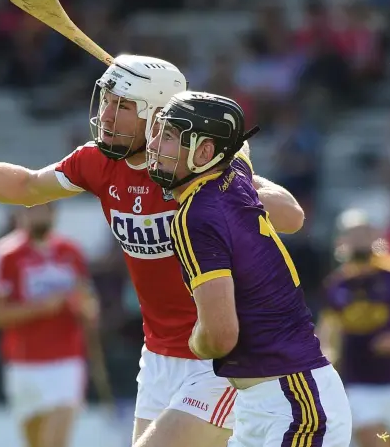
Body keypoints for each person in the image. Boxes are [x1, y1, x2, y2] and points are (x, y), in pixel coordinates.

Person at [0, 54, 305, 447]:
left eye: (124, 106)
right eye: (108, 101)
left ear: (156, 117)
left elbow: (291, 216)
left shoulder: (198, 170)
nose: (108, 115)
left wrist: (231, 180)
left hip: (224, 352)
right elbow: (28, 186)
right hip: (160, 355)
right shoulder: (97, 162)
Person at [146, 90, 352, 447]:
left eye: (168, 136)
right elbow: (291, 213)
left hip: (293, 404)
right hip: (266, 403)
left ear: (205, 152)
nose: (153, 144)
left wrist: (195, 340)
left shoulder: (194, 216)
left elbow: (220, 337)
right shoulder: (236, 178)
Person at [0, 203, 98, 447]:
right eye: (32, 210)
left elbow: (88, 301)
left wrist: (86, 309)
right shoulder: (5, 254)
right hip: (24, 364)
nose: (39, 215)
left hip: (66, 362)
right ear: (21, 214)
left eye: (45, 209)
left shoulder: (71, 251)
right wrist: (41, 308)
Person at [317, 209, 390, 447]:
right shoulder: (336, 284)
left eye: (364, 232)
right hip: (358, 383)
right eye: (352, 233)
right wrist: (327, 356)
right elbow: (328, 330)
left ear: (377, 236)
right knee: (374, 440)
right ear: (340, 240)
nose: (359, 239)